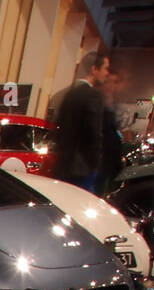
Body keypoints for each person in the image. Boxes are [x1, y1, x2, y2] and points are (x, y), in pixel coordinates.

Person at [54, 51, 109, 191]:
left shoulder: (67, 94)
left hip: (63, 163)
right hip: (83, 166)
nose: (107, 73)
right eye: (105, 69)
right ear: (94, 69)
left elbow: (58, 125)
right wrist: (96, 160)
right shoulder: (93, 96)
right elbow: (94, 131)